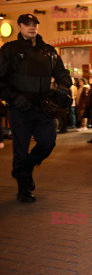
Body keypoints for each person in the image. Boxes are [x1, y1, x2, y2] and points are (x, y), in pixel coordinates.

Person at [0, 13, 72, 203]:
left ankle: (23, 169)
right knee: (21, 150)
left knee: (48, 142)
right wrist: (14, 97)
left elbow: (62, 73)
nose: (32, 27)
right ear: (20, 26)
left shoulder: (48, 51)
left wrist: (64, 84)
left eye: (34, 24)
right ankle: (24, 188)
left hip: (43, 106)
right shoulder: (9, 50)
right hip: (20, 108)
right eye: (27, 24)